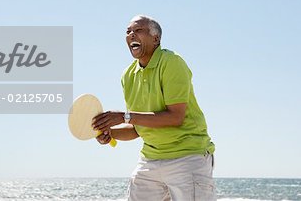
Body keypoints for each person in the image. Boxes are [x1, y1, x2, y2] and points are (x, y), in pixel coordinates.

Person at [92, 15, 217, 201]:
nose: (131, 35)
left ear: (156, 39)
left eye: (138, 30)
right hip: (150, 159)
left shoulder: (172, 62)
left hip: (188, 157)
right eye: (128, 32)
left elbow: (175, 117)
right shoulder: (128, 76)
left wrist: (125, 116)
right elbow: (137, 128)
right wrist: (110, 132)